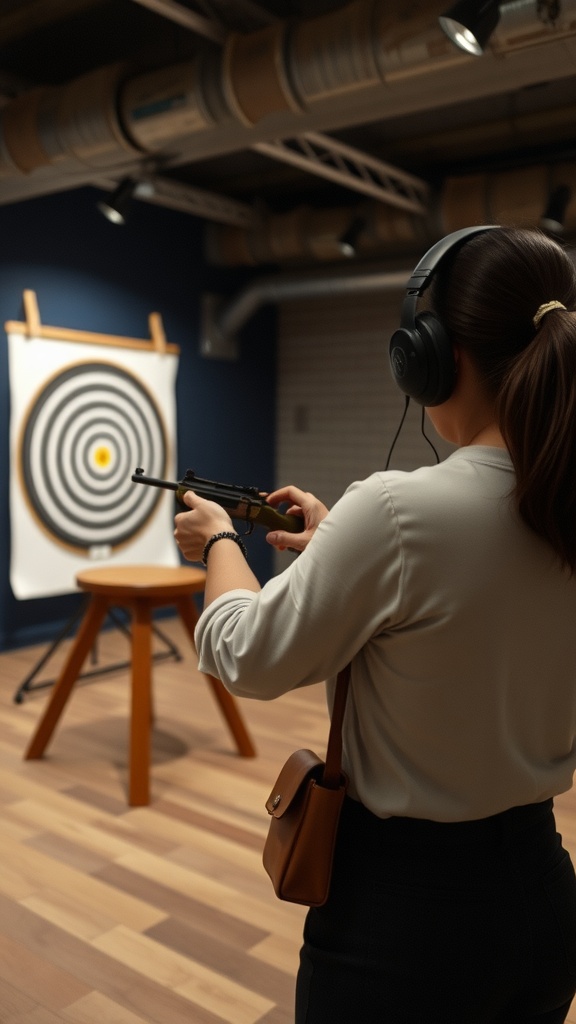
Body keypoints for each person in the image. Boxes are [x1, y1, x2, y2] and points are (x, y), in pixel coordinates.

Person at [173, 225, 576, 1024]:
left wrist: (218, 540)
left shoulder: (396, 510)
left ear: (432, 355)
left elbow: (244, 653)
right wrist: (338, 548)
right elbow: (471, 602)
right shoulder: (559, 500)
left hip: (406, 919)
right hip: (540, 895)